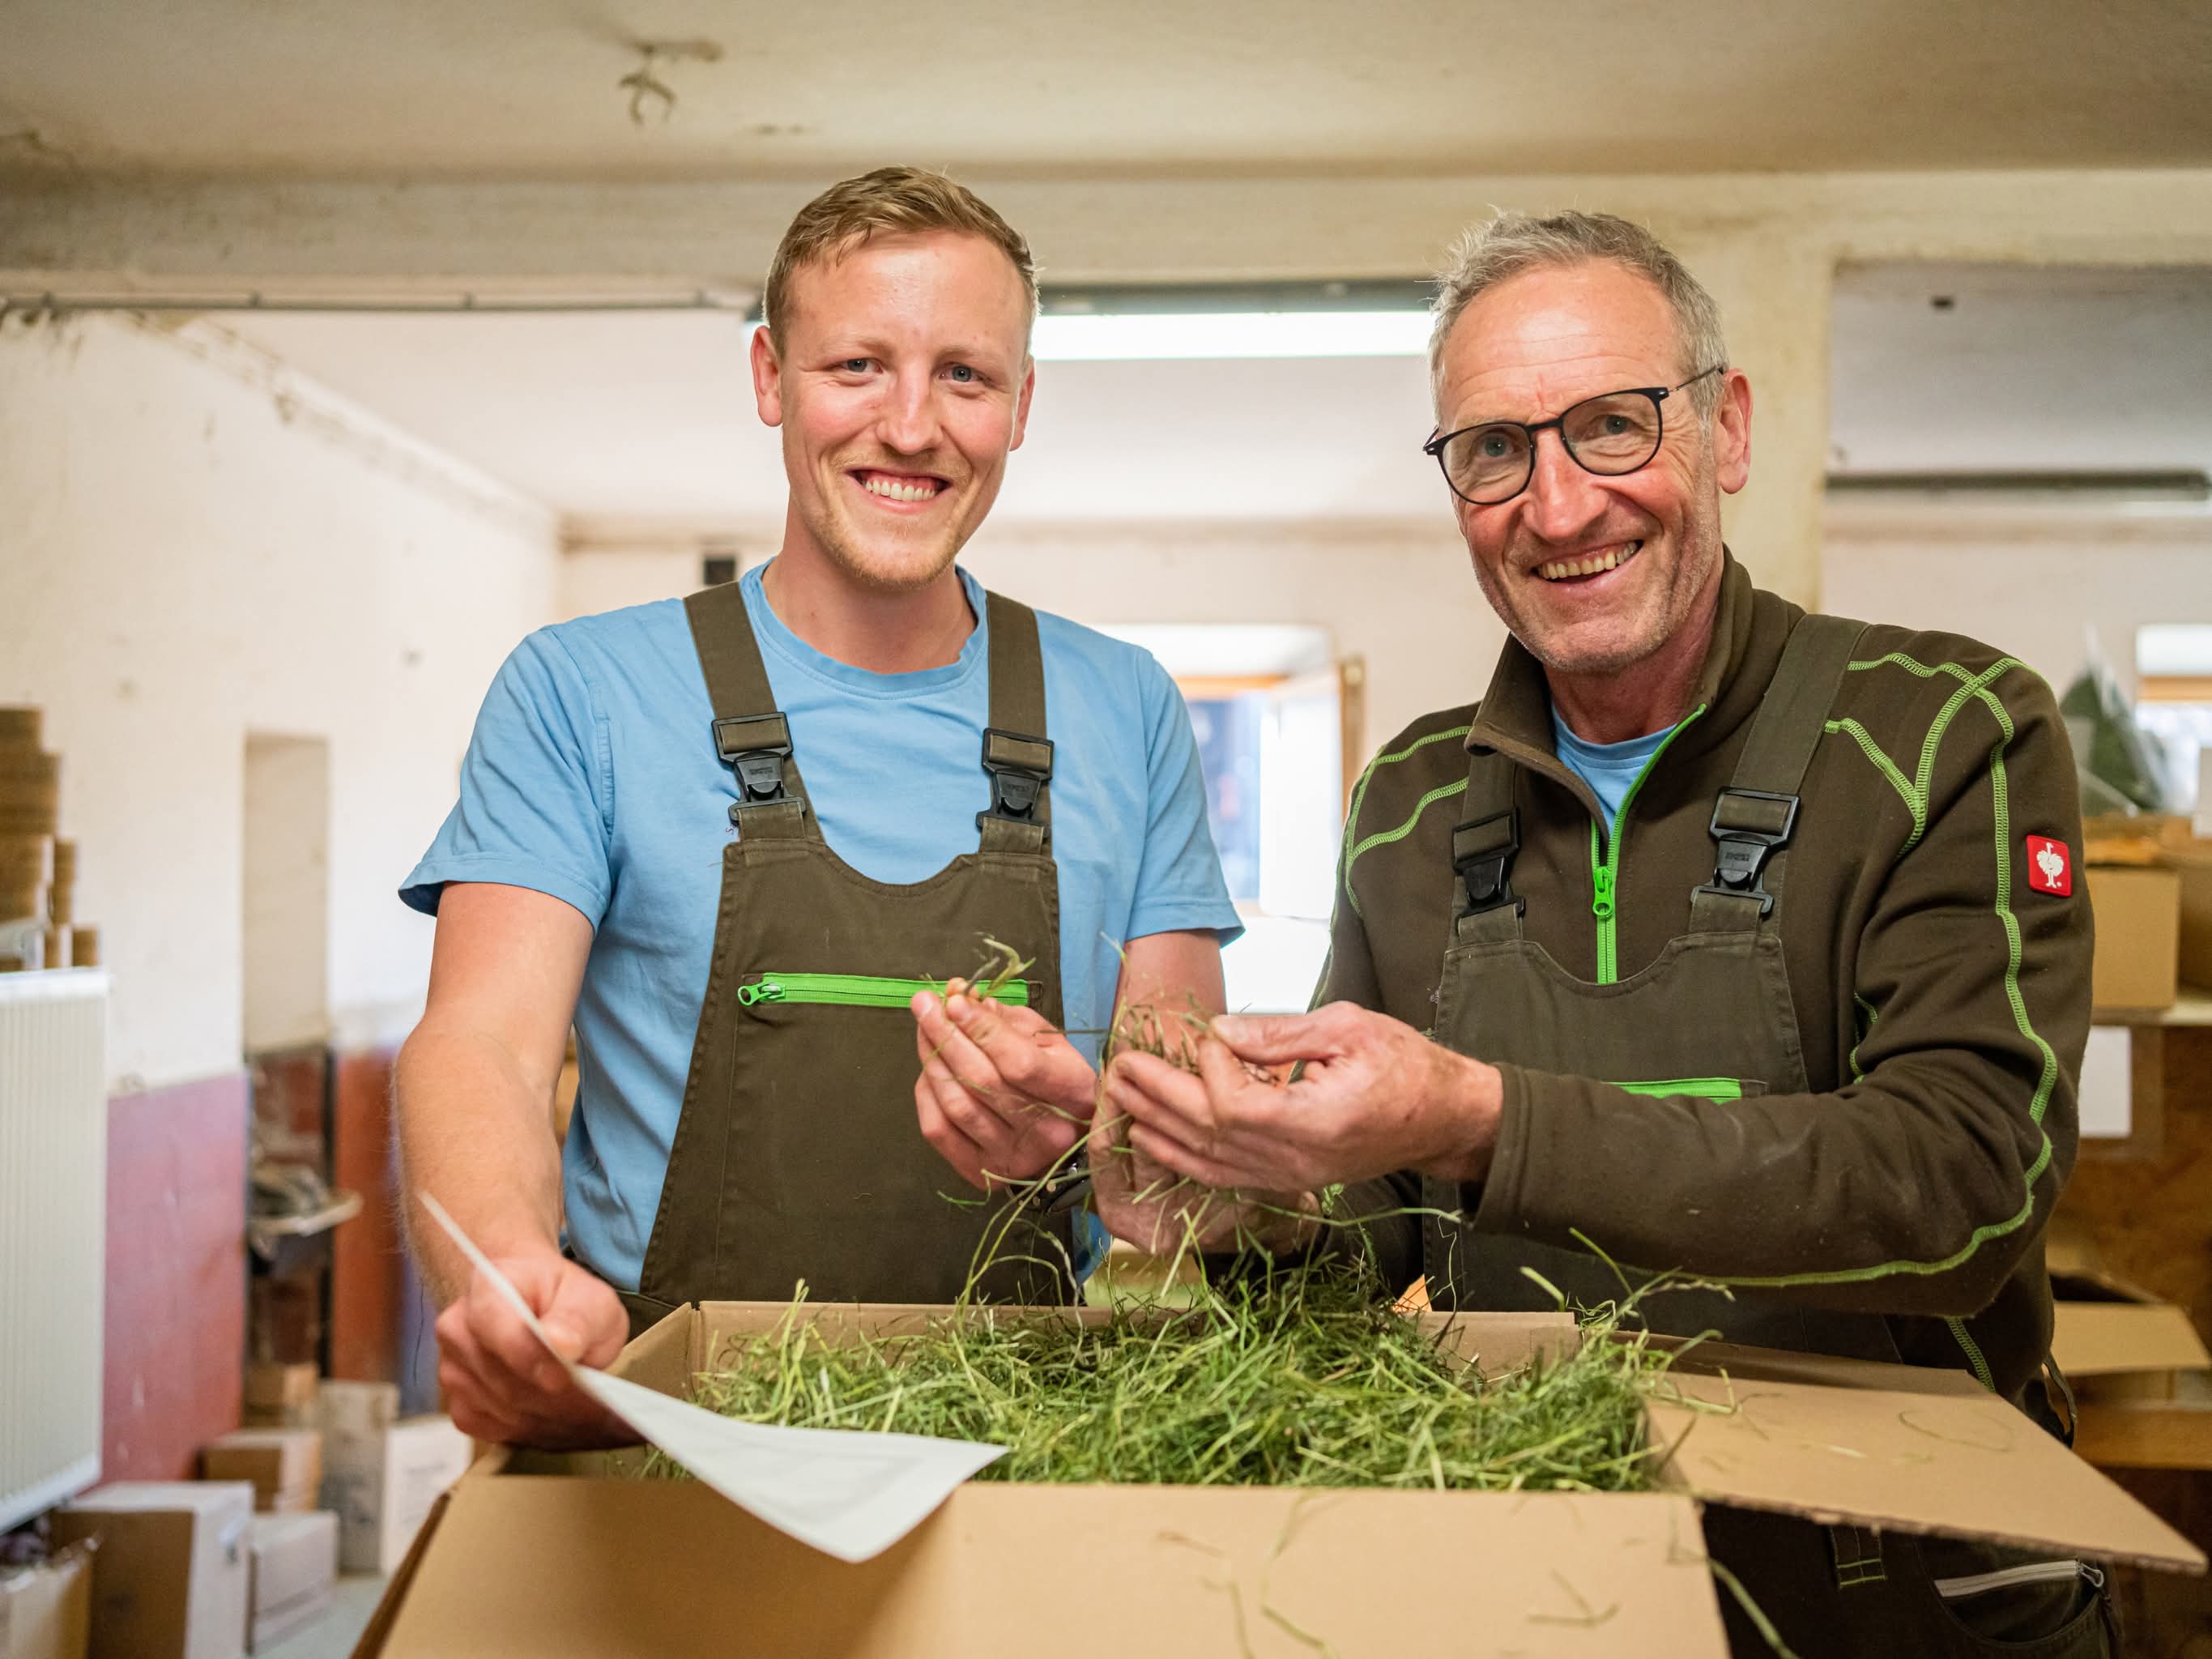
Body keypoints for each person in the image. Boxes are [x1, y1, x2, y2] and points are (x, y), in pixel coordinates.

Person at [1102, 211, 2107, 1655]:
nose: (1557, 507)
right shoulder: (1410, 802)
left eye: (1613, 427)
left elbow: (1965, 1188)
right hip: (1539, 1580)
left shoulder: (1946, 732)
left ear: (1728, 429)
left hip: (1900, 1596)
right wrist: (1224, 1195)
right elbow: (1357, 1244)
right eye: (1494, 450)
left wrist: (1482, 1120)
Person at [394, 167, 1241, 1450]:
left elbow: (1182, 1183)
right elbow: (485, 1048)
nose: (912, 426)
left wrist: (1093, 1123)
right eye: (857, 365)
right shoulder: (583, 690)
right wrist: (508, 1277)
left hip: (1013, 1449)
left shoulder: (1122, 706)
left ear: (1021, 407)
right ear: (768, 379)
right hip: (652, 1428)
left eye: (965, 375)